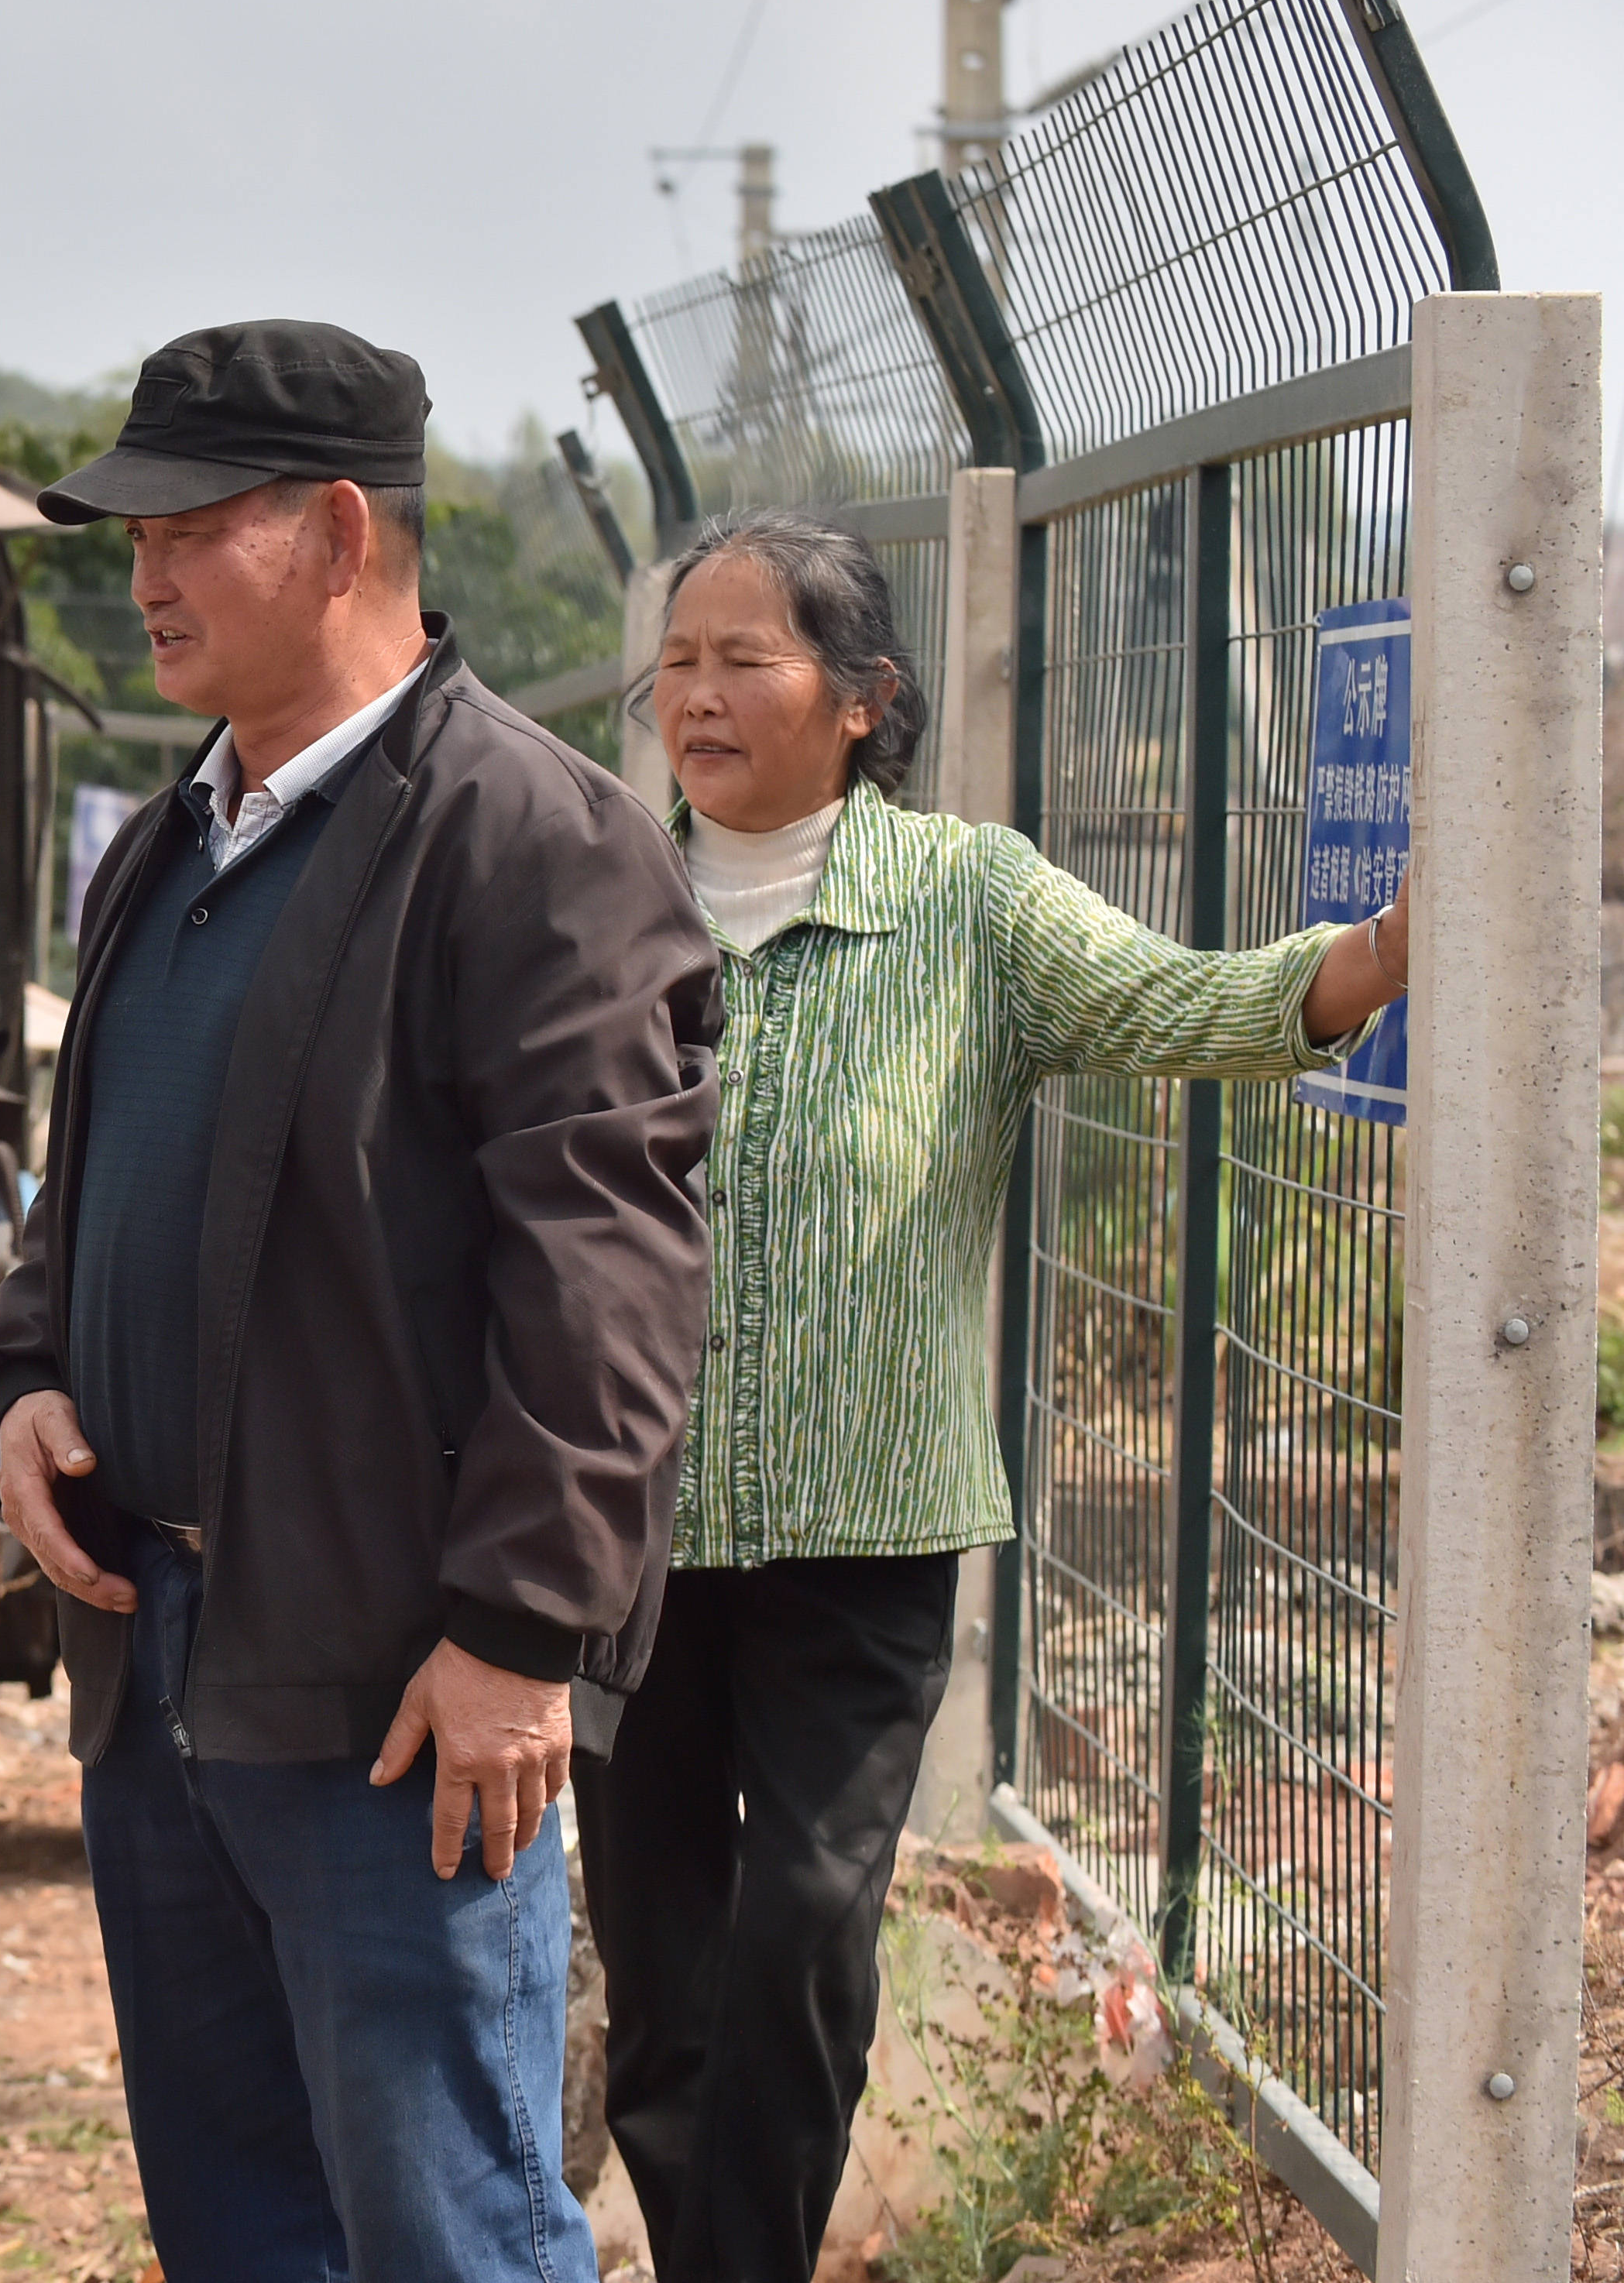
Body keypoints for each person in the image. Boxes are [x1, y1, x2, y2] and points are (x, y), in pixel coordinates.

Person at [0, 321, 723, 2281]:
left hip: (400, 1692)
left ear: (333, 529)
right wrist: (30, 1374)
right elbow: (91, 1167)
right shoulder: (168, 844)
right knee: (238, 2222)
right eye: (127, 531)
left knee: (447, 2228)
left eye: (187, 527)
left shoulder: (532, 847)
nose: (139, 574)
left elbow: (610, 1277)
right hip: (166, 1664)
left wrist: (515, 1631)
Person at [579, 509, 1411, 2283]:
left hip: (862, 1529)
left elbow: (1188, 1004)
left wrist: (1377, 955)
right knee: (658, 1967)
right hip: (617, 1529)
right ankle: (708, 2244)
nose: (698, 693)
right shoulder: (590, 887)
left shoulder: (968, 896)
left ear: (863, 697)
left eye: (747, 657)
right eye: (680, 658)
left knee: (801, 1929)